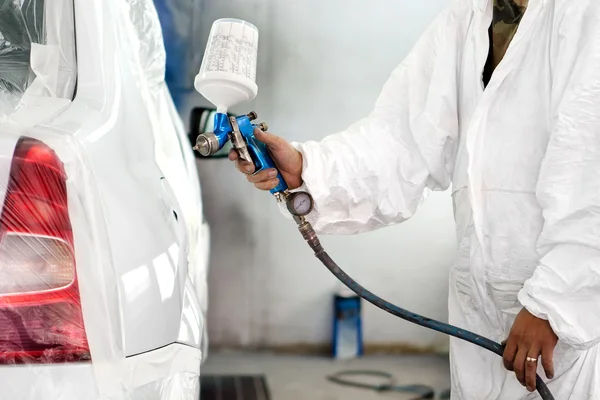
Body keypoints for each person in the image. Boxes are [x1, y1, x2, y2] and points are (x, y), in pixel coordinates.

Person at [229, 0, 600, 398]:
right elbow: (400, 139)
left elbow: (588, 175)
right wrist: (308, 168)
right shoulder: (469, 19)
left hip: (568, 322)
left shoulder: (584, 16)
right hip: (481, 313)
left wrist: (553, 304)